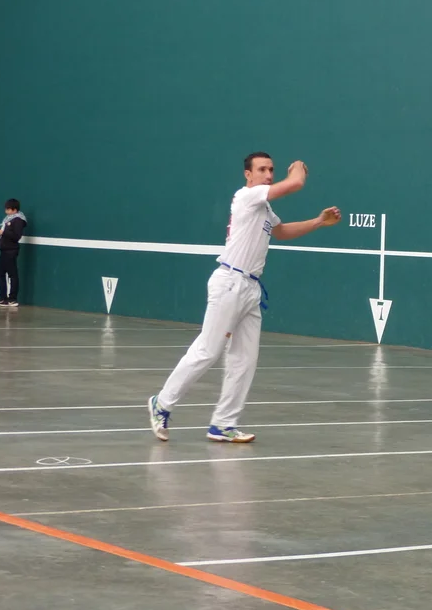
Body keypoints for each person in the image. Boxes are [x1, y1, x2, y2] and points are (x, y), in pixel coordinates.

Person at [147, 152, 342, 443]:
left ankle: (223, 424)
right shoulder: (246, 196)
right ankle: (162, 403)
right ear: (248, 175)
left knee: (244, 360)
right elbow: (295, 183)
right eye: (262, 169)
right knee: (207, 350)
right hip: (229, 282)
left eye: (271, 169)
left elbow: (281, 231)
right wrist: (299, 168)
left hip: (251, 288)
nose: (268, 174)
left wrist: (318, 222)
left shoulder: (264, 208)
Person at [0, 199, 26, 308]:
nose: (6, 211)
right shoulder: (7, 219)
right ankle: (3, 298)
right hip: (4, 250)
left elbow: (16, 236)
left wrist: (3, 233)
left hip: (11, 250)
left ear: (15, 210)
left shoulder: (18, 220)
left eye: (8, 209)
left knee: (12, 274)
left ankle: (12, 299)